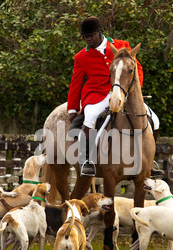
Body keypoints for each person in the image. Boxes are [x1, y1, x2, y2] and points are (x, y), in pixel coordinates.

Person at [67, 16, 161, 176]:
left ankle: (150, 160)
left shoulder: (121, 46)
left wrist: (135, 91)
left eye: (91, 36)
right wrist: (72, 108)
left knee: (155, 119)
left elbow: (136, 67)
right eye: (85, 37)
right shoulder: (81, 57)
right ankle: (87, 161)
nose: (88, 39)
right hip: (96, 94)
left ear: (99, 32)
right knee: (90, 118)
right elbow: (75, 83)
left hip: (124, 90)